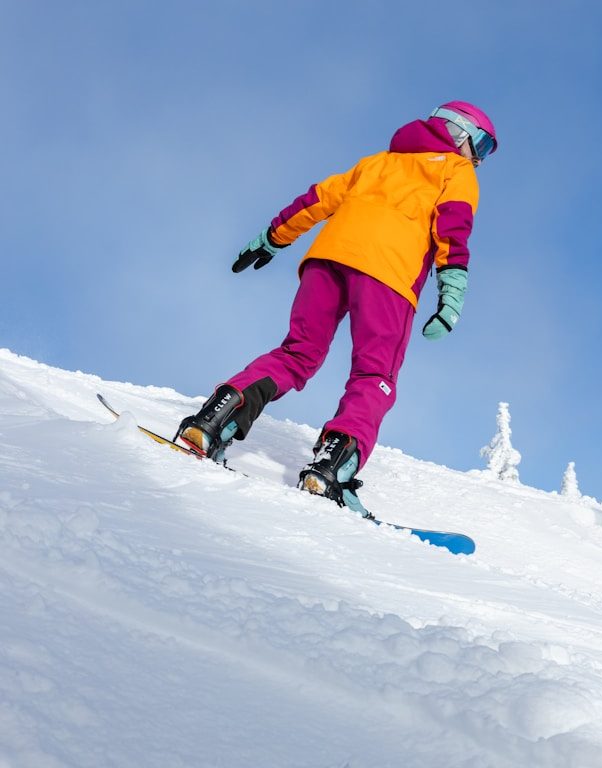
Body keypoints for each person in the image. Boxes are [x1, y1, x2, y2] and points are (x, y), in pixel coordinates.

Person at [176, 102, 498, 516]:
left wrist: (273, 237)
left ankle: (215, 418)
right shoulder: (456, 170)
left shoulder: (377, 163)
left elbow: (318, 199)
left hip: (327, 260)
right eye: (482, 147)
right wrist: (452, 290)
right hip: (388, 275)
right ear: (460, 134)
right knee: (374, 374)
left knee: (297, 353)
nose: (479, 159)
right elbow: (453, 225)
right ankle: (332, 468)